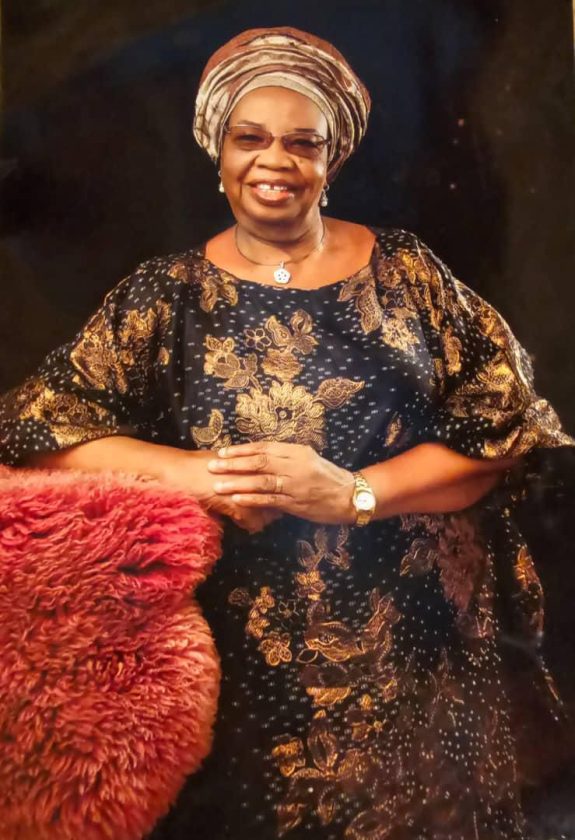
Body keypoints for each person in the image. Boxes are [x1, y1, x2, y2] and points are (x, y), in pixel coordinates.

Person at [0, 26, 572, 840]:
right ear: (218, 151)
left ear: (331, 160)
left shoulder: (408, 275)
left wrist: (356, 493)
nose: (276, 160)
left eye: (303, 142)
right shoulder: (164, 296)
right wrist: (197, 474)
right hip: (238, 665)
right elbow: (40, 428)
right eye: (251, 138)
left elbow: (502, 430)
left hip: (417, 659)